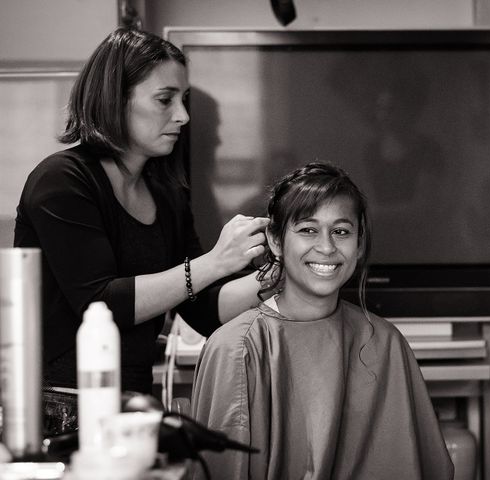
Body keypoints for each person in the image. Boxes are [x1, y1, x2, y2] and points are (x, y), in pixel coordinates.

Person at [13, 28, 268, 418]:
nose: (182, 116)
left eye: (183, 101)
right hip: (55, 407)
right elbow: (100, 301)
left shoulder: (167, 194)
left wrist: (282, 270)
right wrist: (216, 261)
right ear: (115, 100)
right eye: (165, 100)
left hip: (131, 402)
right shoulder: (61, 180)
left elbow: (203, 310)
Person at [190, 163, 454, 480]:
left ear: (358, 244)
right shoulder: (236, 349)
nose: (327, 247)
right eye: (308, 230)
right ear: (275, 241)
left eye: (341, 232)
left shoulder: (385, 342)